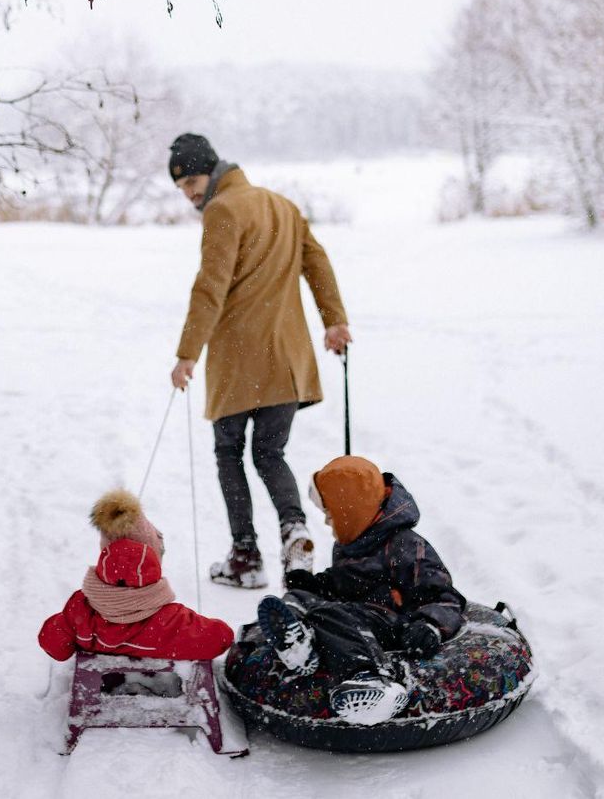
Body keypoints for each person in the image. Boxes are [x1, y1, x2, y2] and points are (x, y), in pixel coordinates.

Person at [167, 132, 351, 588]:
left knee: (229, 453)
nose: (189, 191)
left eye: (192, 179)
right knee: (270, 453)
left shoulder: (222, 210)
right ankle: (294, 531)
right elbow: (318, 262)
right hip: (286, 360)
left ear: (212, 170)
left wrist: (187, 353)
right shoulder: (281, 205)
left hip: (238, 361)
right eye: (181, 185)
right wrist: (334, 320)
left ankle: (245, 557)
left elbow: (210, 287)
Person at [255, 455, 467, 725]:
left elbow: (445, 597)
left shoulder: (404, 545)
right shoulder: (349, 542)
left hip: (394, 622)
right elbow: (347, 583)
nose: (327, 523)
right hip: (353, 615)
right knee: (301, 599)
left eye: (330, 515)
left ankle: (370, 677)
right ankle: (297, 641)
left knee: (330, 616)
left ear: (350, 511)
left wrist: (431, 625)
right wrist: (316, 585)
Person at [38, 489, 234, 661]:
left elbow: (52, 644)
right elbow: (221, 638)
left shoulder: (80, 611)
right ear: (154, 565)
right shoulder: (172, 621)